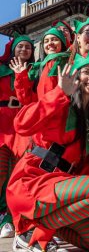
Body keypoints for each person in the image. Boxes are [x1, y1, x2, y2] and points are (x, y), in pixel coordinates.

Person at [8, 50, 89, 252]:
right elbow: (22, 125)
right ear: (76, 75)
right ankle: (30, 236)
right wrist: (59, 93)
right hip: (33, 180)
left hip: (62, 188)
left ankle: (37, 230)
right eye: (87, 72)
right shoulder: (59, 101)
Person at [0, 34, 35, 239]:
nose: (24, 50)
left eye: (28, 48)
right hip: (2, 121)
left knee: (17, 172)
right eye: (20, 46)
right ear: (13, 49)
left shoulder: (33, 71)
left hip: (22, 121)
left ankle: (9, 218)